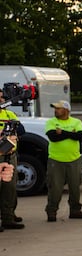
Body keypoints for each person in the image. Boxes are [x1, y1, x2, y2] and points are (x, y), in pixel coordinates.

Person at [44, 100, 82, 221]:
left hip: (74, 159)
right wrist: (70, 134)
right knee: (55, 188)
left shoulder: (76, 122)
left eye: (58, 108)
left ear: (66, 110)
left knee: (75, 187)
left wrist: (62, 132)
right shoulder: (51, 122)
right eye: (55, 108)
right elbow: (53, 137)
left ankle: (75, 210)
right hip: (56, 160)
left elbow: (79, 136)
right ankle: (51, 211)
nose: (55, 110)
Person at [0, 89, 26, 230]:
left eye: (2, 98)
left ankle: (8, 218)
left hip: (9, 157)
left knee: (9, 189)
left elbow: (21, 130)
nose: (1, 100)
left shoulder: (9, 114)